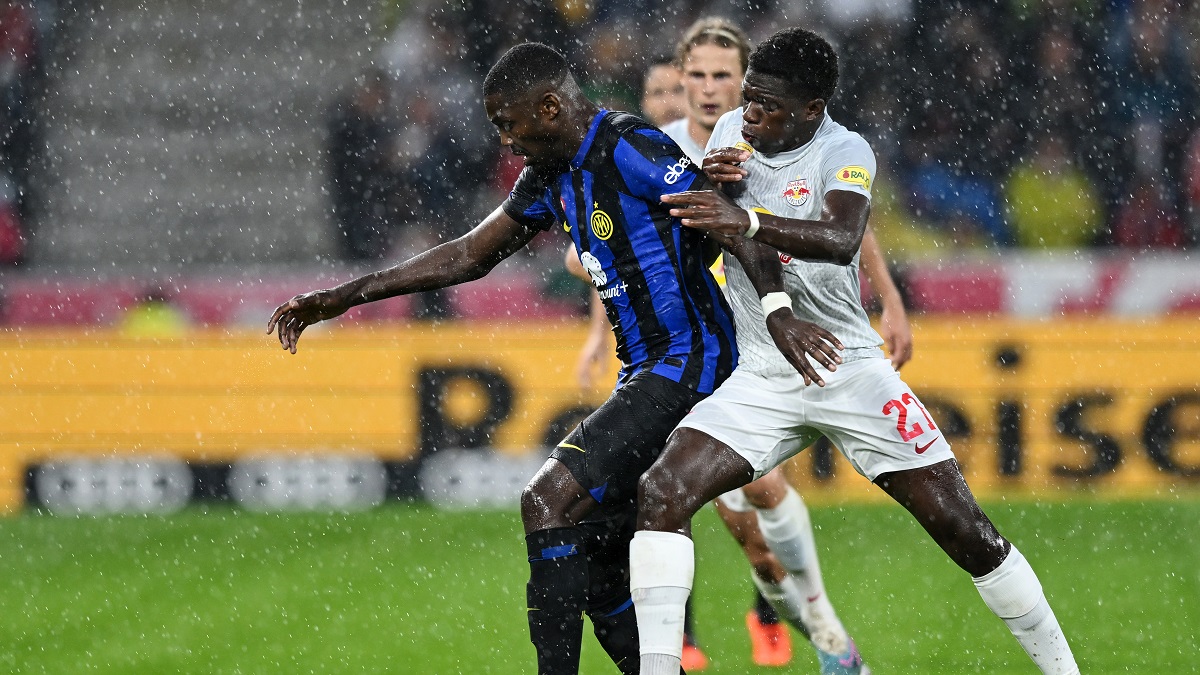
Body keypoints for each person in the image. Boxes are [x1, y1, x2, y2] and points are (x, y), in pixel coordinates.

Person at [268, 41, 828, 675]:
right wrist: (346, 295)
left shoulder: (628, 146)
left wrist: (778, 312)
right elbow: (469, 254)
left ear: (551, 107)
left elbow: (732, 223)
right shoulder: (550, 175)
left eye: (510, 124)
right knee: (598, 563)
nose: (506, 141)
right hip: (648, 372)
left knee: (547, 501)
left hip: (690, 363)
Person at [630, 28, 1080, 675]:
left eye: (766, 106)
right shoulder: (732, 130)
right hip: (762, 370)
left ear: (811, 110)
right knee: (662, 490)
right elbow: (740, 238)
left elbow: (841, 237)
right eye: (748, 98)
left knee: (966, 531)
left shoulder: (845, 150)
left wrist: (745, 220)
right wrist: (775, 306)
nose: (748, 114)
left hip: (847, 366)